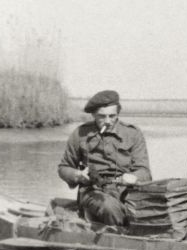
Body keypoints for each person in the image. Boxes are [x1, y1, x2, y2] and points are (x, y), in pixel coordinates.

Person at [58, 89, 152, 227]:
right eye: (102, 116)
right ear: (93, 115)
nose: (108, 121)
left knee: (155, 210)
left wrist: (134, 177)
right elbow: (63, 168)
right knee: (109, 208)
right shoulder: (80, 134)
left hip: (126, 191)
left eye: (112, 116)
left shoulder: (133, 134)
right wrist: (77, 175)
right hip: (93, 192)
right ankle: (121, 239)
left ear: (118, 113)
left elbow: (145, 172)